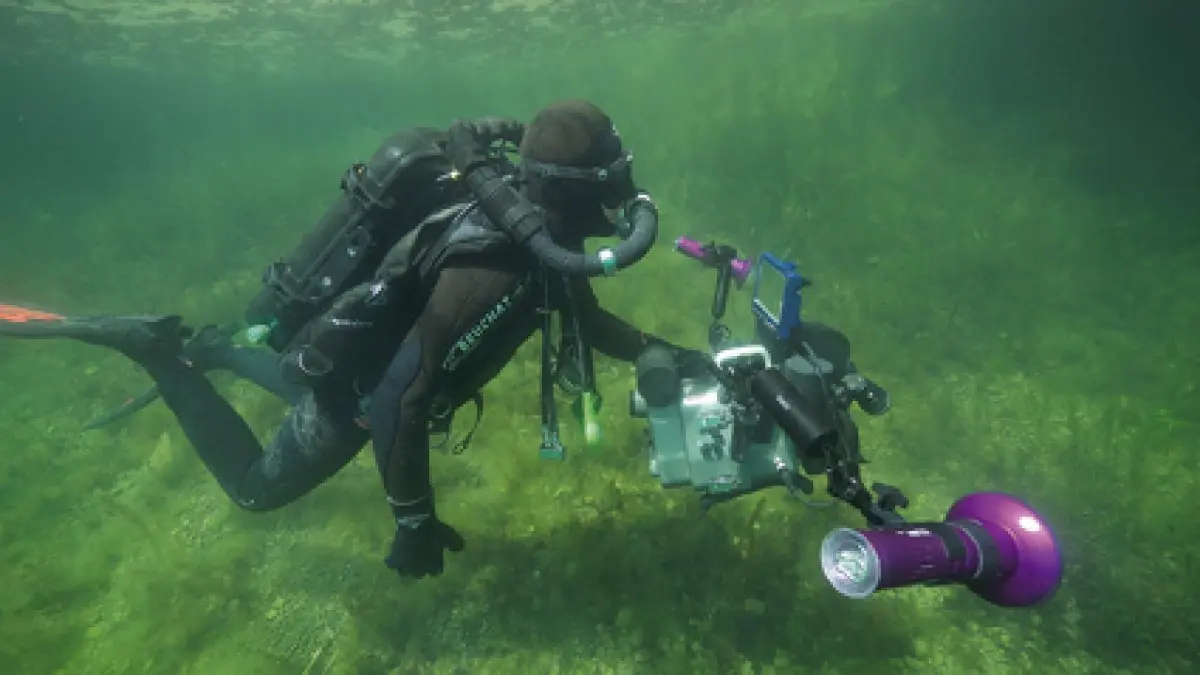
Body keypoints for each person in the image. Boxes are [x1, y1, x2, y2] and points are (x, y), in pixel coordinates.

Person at [0, 99, 682, 579]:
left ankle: (209, 350)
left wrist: (680, 357)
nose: (625, 194)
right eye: (611, 180)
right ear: (564, 189)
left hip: (352, 351)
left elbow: (589, 323)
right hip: (359, 394)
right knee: (255, 488)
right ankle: (152, 350)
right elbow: (397, 404)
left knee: (302, 379)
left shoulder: (542, 235)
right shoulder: (497, 274)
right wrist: (413, 522)